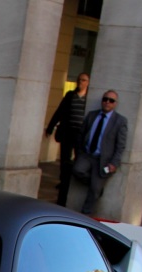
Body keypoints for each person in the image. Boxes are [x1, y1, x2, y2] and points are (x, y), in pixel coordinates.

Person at [78, 90, 128, 216]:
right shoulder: (91, 115)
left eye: (111, 100)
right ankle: (95, 184)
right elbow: (81, 134)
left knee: (95, 190)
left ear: (115, 104)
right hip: (87, 155)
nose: (107, 102)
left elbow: (120, 145)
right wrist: (79, 152)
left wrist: (114, 163)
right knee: (77, 170)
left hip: (104, 160)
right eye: (105, 99)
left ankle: (85, 213)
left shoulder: (120, 121)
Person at [45, 72, 90, 206]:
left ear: (87, 83)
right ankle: (63, 181)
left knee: (78, 158)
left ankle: (72, 181)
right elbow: (60, 111)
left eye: (83, 80)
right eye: (79, 80)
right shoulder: (71, 95)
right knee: (64, 159)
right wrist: (51, 126)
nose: (80, 82)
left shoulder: (88, 99)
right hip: (68, 131)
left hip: (80, 134)